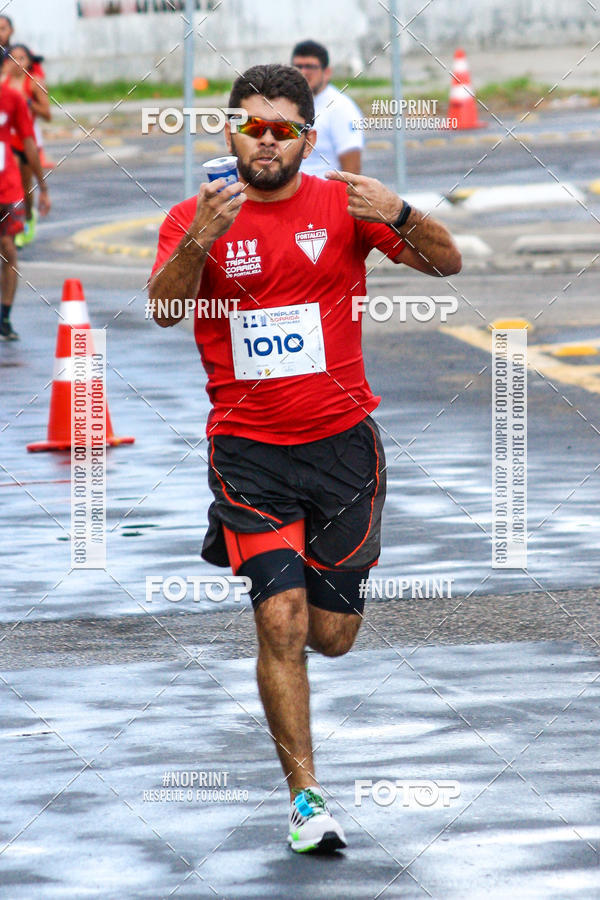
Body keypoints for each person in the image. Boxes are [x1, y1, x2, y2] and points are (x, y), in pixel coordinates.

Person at [149, 63, 460, 853]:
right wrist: (199, 240)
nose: (265, 140)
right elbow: (163, 309)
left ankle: (324, 617)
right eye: (250, 125)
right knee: (279, 618)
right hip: (248, 453)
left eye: (282, 128)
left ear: (307, 138)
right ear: (229, 132)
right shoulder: (193, 216)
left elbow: (447, 263)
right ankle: (306, 800)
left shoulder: (343, 205)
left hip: (343, 448)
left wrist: (401, 211)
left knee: (331, 635)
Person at [0, 80, 50, 339]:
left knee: (8, 249)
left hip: (7, 187)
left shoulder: (13, 98)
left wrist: (43, 187)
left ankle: (4, 318)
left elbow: (29, 142)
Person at [2, 44, 51, 247]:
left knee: (25, 186)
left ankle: (29, 216)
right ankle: (12, 224)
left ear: (29, 61)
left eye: (22, 58)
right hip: (8, 142)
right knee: (11, 181)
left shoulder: (34, 83)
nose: (17, 63)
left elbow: (47, 114)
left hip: (27, 139)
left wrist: (28, 103)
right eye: (13, 58)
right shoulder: (3, 83)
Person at [291, 39, 363, 177]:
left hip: (324, 188)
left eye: (310, 67)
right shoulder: (287, 104)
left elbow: (352, 171)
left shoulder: (341, 108)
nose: (303, 72)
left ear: (327, 72)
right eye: (298, 66)